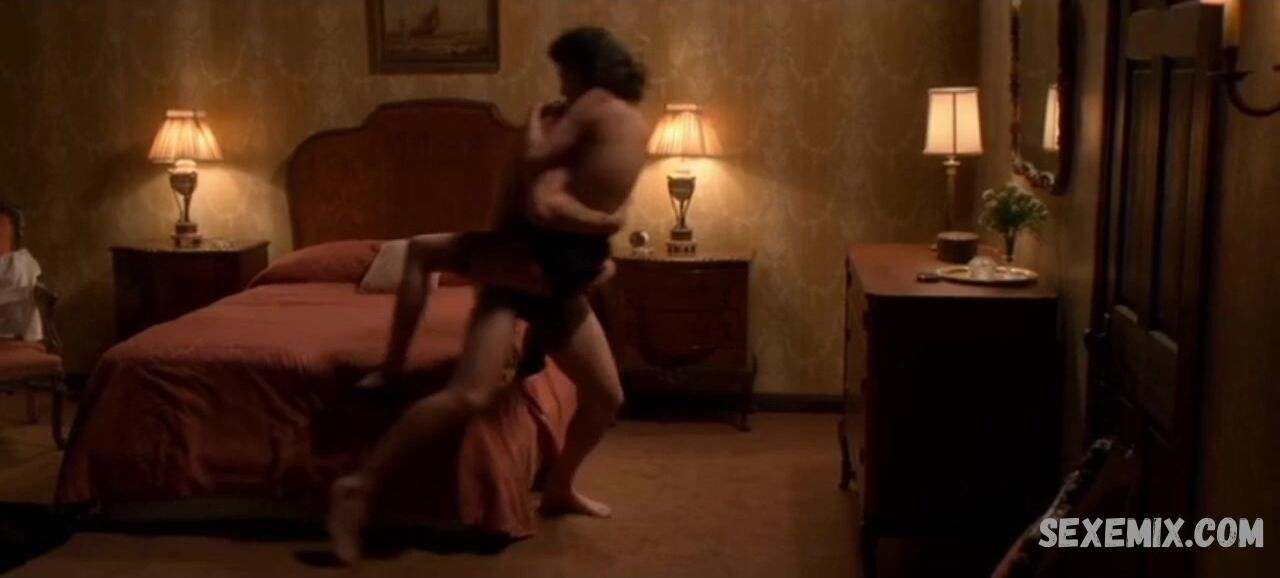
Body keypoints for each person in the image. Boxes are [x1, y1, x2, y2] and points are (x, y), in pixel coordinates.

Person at [327, 27, 650, 564]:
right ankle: (357, 487)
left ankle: (560, 488)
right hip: (517, 271)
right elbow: (542, 204)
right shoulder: (567, 119)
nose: (561, 85)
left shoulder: (597, 115)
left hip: (552, 280)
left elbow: (566, 195)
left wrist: (600, 233)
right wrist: (606, 223)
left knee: (606, 398)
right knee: (471, 394)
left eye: (565, 73)